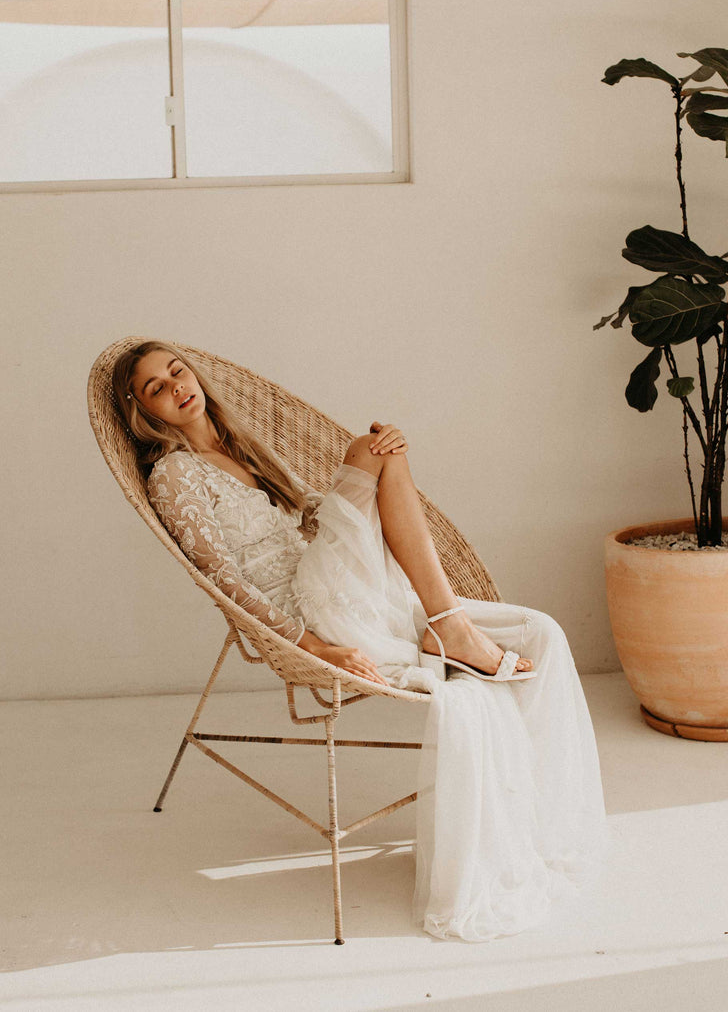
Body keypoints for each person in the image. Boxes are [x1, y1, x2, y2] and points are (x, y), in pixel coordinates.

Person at [113, 340, 610, 941]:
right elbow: (224, 580)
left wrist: (372, 479)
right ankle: (448, 626)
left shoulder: (241, 448)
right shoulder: (174, 474)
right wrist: (313, 646)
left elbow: (310, 519)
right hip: (306, 608)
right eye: (155, 388)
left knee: (540, 629)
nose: (175, 387)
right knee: (369, 450)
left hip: (333, 580)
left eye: (176, 371)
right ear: (144, 412)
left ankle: (459, 649)